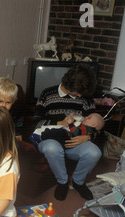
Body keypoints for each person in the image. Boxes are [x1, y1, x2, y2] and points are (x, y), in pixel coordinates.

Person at [33, 64, 101, 201]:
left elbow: (96, 124)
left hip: (74, 141)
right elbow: (36, 122)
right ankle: (62, 182)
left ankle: (78, 182)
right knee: (52, 148)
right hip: (51, 138)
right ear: (69, 84)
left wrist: (87, 137)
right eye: (78, 92)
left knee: (95, 152)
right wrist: (58, 123)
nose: (81, 95)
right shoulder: (47, 94)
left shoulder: (86, 98)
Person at [30, 112, 105, 148]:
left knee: (56, 133)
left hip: (68, 136)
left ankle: (40, 137)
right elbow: (37, 121)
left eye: (88, 118)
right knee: (55, 132)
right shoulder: (85, 126)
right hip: (67, 135)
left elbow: (76, 132)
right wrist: (60, 122)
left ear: (94, 125)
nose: (85, 117)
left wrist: (89, 137)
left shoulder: (87, 128)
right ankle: (40, 136)